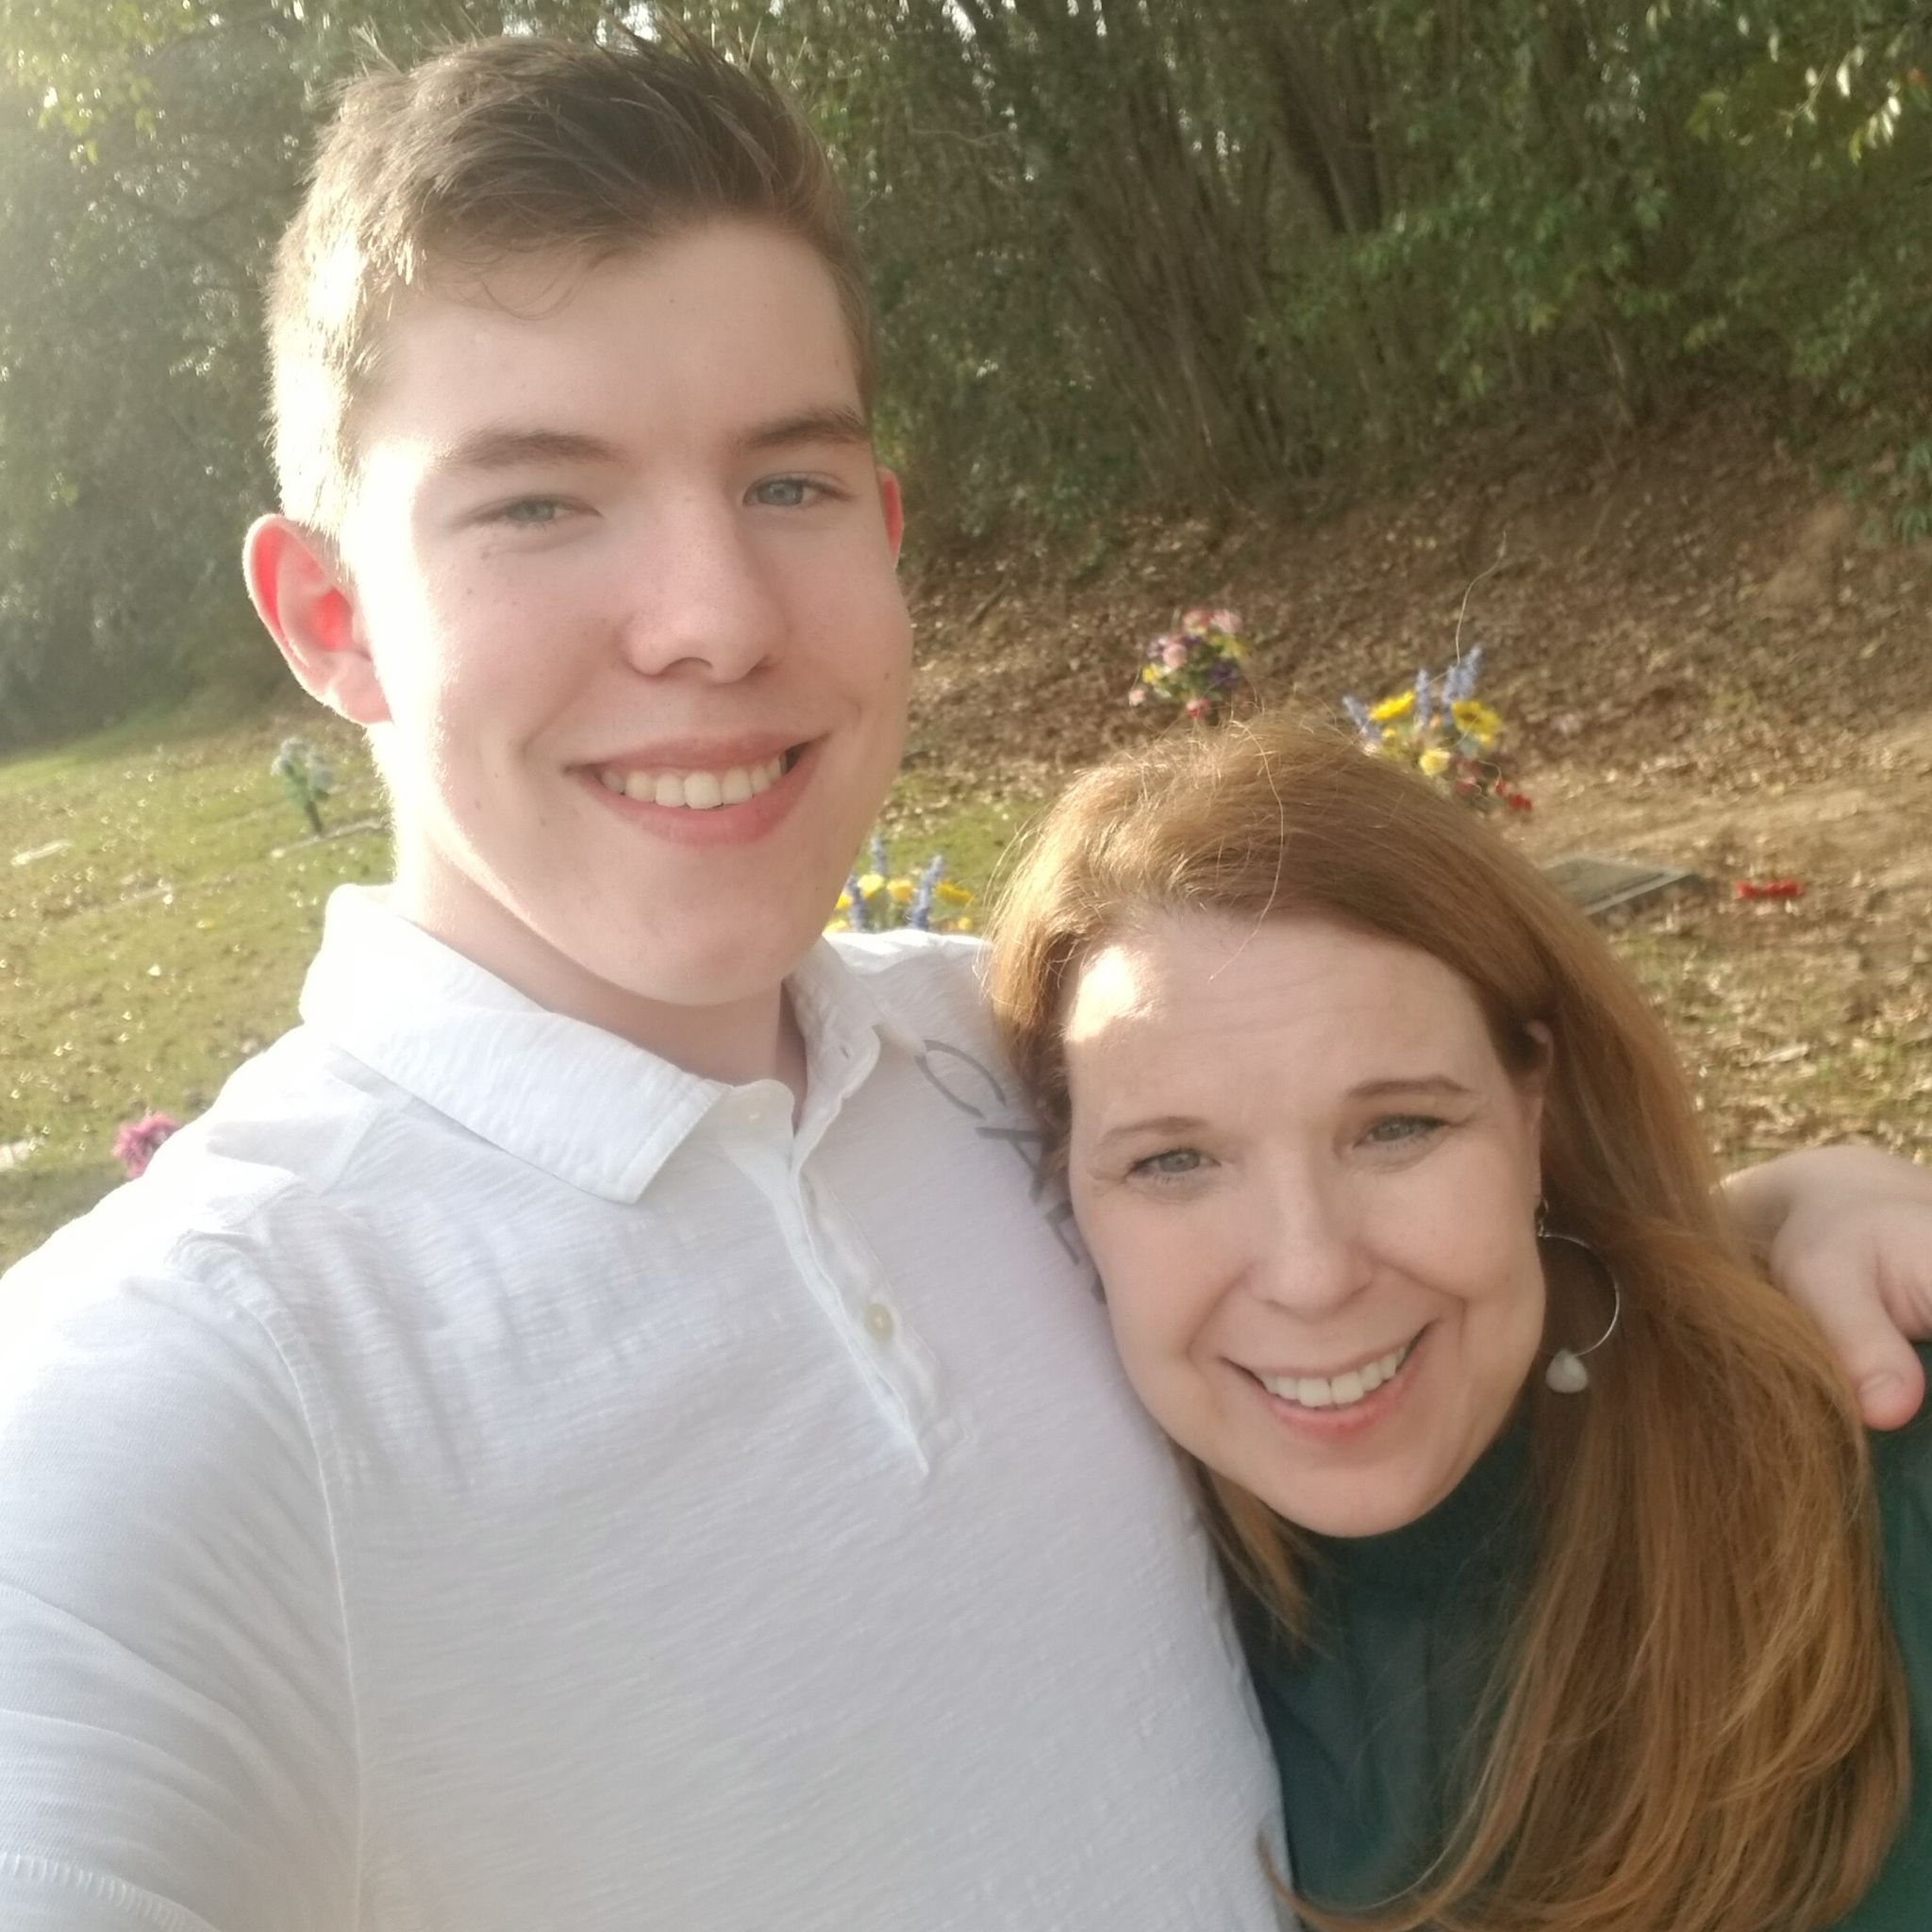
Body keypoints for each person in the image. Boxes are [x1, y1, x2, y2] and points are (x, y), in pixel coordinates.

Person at [0, 30, 1925, 1932]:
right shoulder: (195, 1384)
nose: (714, 619)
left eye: (788, 483)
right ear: (332, 616)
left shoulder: (1019, 1049)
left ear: (888, 530)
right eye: (537, 502)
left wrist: (1776, 1217)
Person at [986, 717, 1932, 1930]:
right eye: (1172, 1159)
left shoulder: (1868, 1472)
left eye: (1397, 1128)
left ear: (1530, 1105)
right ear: (1065, 1182)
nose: (1311, 1274)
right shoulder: (1090, 1592)